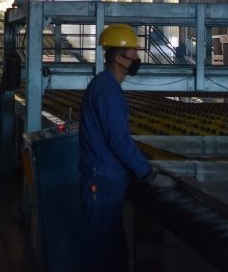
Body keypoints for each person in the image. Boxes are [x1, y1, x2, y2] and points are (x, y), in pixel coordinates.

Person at [78, 24, 174, 272]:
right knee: (104, 254)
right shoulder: (108, 92)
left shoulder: (105, 86)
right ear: (117, 57)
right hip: (104, 181)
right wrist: (147, 173)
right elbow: (118, 140)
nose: (137, 58)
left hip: (107, 180)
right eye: (132, 53)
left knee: (112, 250)